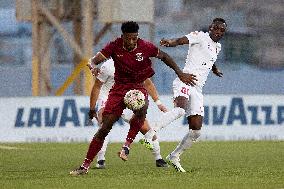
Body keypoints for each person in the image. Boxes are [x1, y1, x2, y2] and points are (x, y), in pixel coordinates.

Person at [70, 21, 196, 176]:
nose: (131, 42)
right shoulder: (114, 46)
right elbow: (93, 60)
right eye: (128, 38)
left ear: (138, 36)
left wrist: (180, 73)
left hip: (137, 87)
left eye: (134, 38)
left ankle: (128, 145)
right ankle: (85, 166)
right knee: (104, 128)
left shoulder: (145, 46)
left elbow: (164, 56)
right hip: (118, 90)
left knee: (141, 110)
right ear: (122, 36)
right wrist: (92, 68)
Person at [159, 18, 227, 172]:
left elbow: (210, 58)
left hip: (198, 89)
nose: (218, 32)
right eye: (216, 28)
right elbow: (182, 40)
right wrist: (170, 42)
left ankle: (174, 156)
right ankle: (152, 133)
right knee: (180, 109)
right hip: (185, 80)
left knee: (196, 130)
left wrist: (214, 69)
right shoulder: (200, 36)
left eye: (222, 30)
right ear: (210, 27)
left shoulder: (218, 47)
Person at [87, 58, 169, 169]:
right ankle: (100, 160)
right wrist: (92, 108)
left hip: (128, 98)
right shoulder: (108, 66)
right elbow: (97, 86)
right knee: (104, 125)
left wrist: (158, 103)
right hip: (108, 97)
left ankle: (159, 159)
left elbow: (148, 84)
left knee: (146, 128)